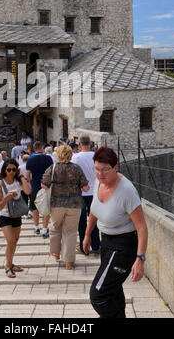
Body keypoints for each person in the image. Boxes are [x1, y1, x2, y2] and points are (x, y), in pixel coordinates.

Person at [83, 146, 148, 318]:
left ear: (116, 168)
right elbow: (94, 210)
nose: (100, 174)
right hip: (106, 241)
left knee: (98, 295)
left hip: (123, 246)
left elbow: (142, 227)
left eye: (105, 170)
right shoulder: (99, 181)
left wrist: (140, 259)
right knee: (112, 291)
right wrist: (88, 234)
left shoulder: (126, 191)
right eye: (96, 169)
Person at [41, 145, 89, 270]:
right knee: (71, 232)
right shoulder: (76, 169)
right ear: (70, 155)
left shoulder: (52, 168)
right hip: (74, 205)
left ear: (58, 155)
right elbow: (86, 188)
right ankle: (69, 262)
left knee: (55, 227)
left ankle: (56, 253)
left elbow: (44, 186)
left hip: (56, 205)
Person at [0, 158, 31, 278]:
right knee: (10, 241)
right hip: (4, 215)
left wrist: (21, 176)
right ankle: (8, 266)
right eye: (9, 169)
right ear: (4, 170)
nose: (11, 172)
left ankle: (11, 263)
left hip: (16, 214)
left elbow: (27, 191)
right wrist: (6, 198)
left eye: (14, 169)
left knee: (15, 241)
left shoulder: (18, 181)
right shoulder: (0, 184)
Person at [72, 134, 100, 256]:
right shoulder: (96, 156)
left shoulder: (75, 158)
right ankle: (96, 245)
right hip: (95, 192)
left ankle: (84, 247)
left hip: (80, 193)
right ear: (90, 143)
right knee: (94, 220)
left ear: (79, 144)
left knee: (82, 221)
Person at [26, 141, 53, 238]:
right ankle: (45, 229)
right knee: (46, 207)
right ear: (42, 148)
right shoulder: (48, 158)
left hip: (35, 185)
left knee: (34, 207)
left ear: (34, 148)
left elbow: (28, 174)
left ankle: (36, 227)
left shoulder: (30, 159)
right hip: (46, 185)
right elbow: (52, 172)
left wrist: (30, 183)